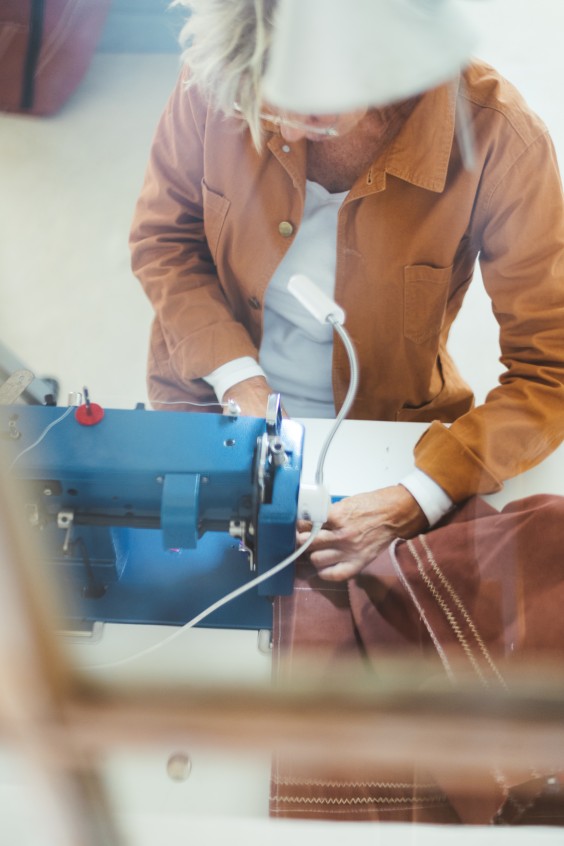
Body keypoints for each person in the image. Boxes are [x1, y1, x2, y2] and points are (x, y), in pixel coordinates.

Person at [130, 0, 564, 584]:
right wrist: (237, 375)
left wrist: (419, 497)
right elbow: (164, 239)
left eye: (311, 111)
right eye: (259, 103)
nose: (281, 131)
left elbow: (552, 372)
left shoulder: (500, 139)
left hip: (392, 438)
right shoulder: (221, 71)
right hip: (207, 394)